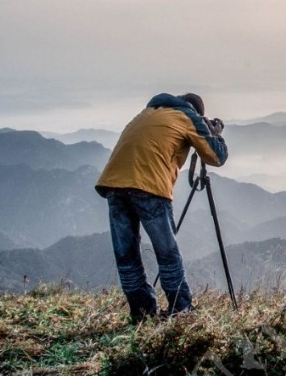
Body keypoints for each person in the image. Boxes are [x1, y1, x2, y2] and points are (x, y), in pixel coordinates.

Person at [95, 92, 228, 321]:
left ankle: (142, 312)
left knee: (127, 257)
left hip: (113, 183)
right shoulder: (188, 117)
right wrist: (214, 134)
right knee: (167, 254)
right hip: (149, 187)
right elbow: (217, 156)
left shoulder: (148, 112)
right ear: (197, 111)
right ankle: (181, 310)